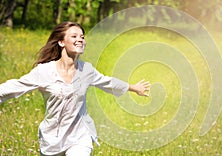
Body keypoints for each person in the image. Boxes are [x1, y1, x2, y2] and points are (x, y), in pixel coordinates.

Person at [0, 21, 150, 156]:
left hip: (80, 135)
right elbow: (15, 86)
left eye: (82, 37)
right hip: (52, 138)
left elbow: (107, 82)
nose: (80, 39)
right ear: (61, 42)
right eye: (74, 36)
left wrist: (133, 87)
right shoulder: (44, 72)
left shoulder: (86, 70)